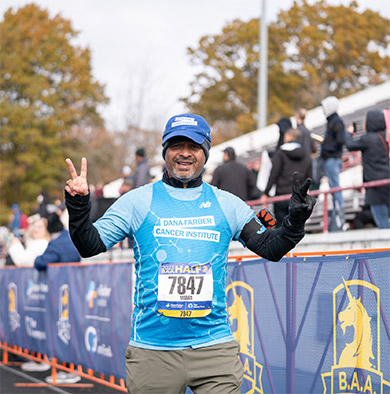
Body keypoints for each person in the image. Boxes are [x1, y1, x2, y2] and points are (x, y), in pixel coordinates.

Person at [64, 113, 316, 394]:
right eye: (176, 146)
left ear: (205, 152)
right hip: (153, 351)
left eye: (194, 146)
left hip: (214, 349)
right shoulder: (137, 201)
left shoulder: (228, 204)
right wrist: (78, 205)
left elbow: (270, 247)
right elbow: (89, 245)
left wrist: (294, 223)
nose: (185, 154)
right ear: (165, 152)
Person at [345, 110, 390, 228]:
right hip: (386, 181)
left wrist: (349, 133)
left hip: (375, 185)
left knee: (382, 221)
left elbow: (350, 145)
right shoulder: (384, 137)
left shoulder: (368, 139)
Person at [259, 128, 312, 227]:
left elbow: (274, 174)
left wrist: (266, 193)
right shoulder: (305, 153)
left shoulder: (281, 153)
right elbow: (309, 173)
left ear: (290, 137)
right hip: (299, 196)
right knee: (296, 227)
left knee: (281, 228)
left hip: (282, 196)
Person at [320, 96, 346, 231]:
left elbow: (341, 140)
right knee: (333, 188)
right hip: (330, 158)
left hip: (333, 158)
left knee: (335, 188)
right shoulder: (332, 122)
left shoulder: (336, 122)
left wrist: (327, 147)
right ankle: (338, 215)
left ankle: (340, 216)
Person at [294, 107, 316, 175]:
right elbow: (313, 149)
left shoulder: (298, 132)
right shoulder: (307, 131)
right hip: (308, 163)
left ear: (296, 116)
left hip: (301, 164)